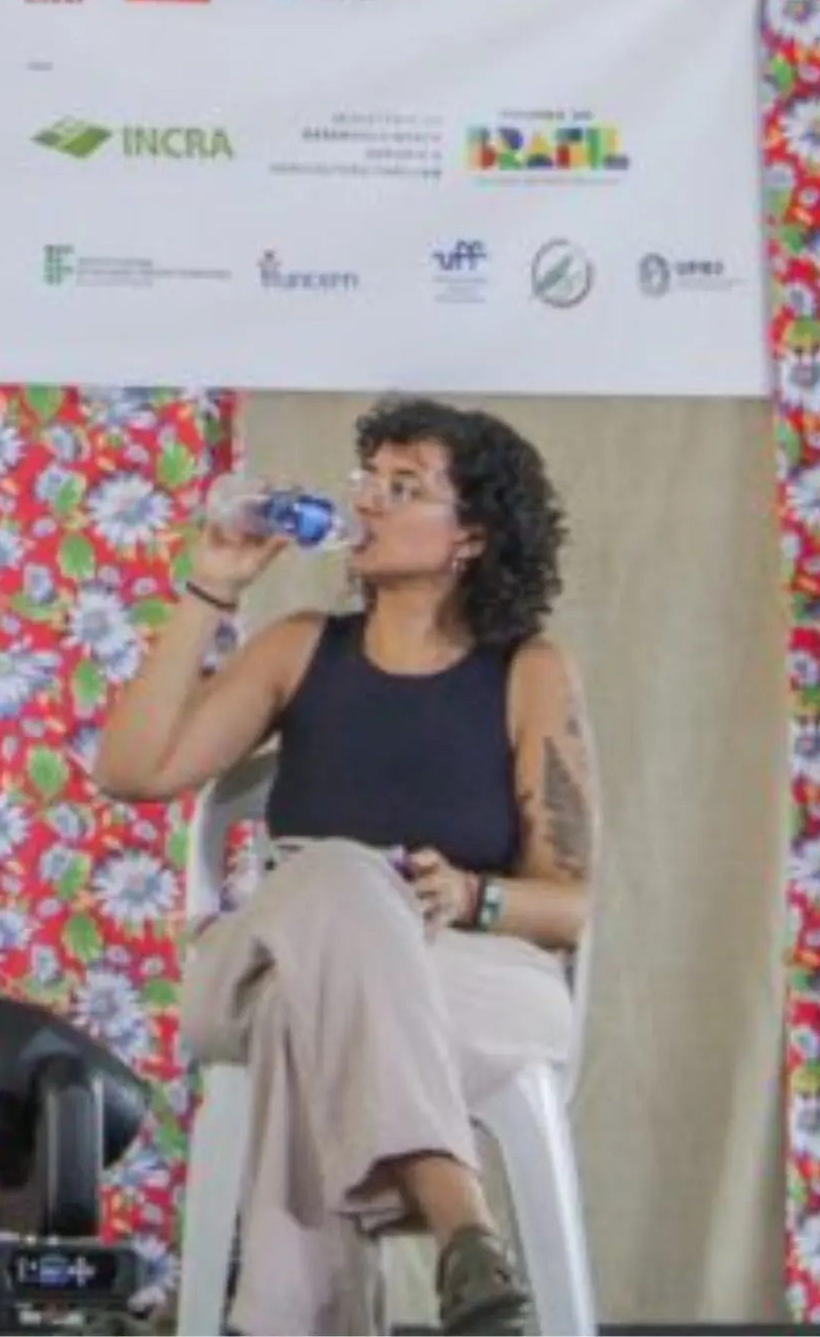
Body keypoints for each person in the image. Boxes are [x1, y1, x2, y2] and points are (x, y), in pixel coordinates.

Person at [91, 396, 592, 1335]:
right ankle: (463, 1225)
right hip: (265, 957)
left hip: (465, 974)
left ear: (471, 536)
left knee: (306, 1019)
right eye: (369, 480)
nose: (366, 502)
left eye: (404, 488)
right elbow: (132, 770)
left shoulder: (529, 671)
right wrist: (211, 588)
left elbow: (568, 907)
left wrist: (472, 895)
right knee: (334, 877)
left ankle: (259, 1316)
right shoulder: (298, 648)